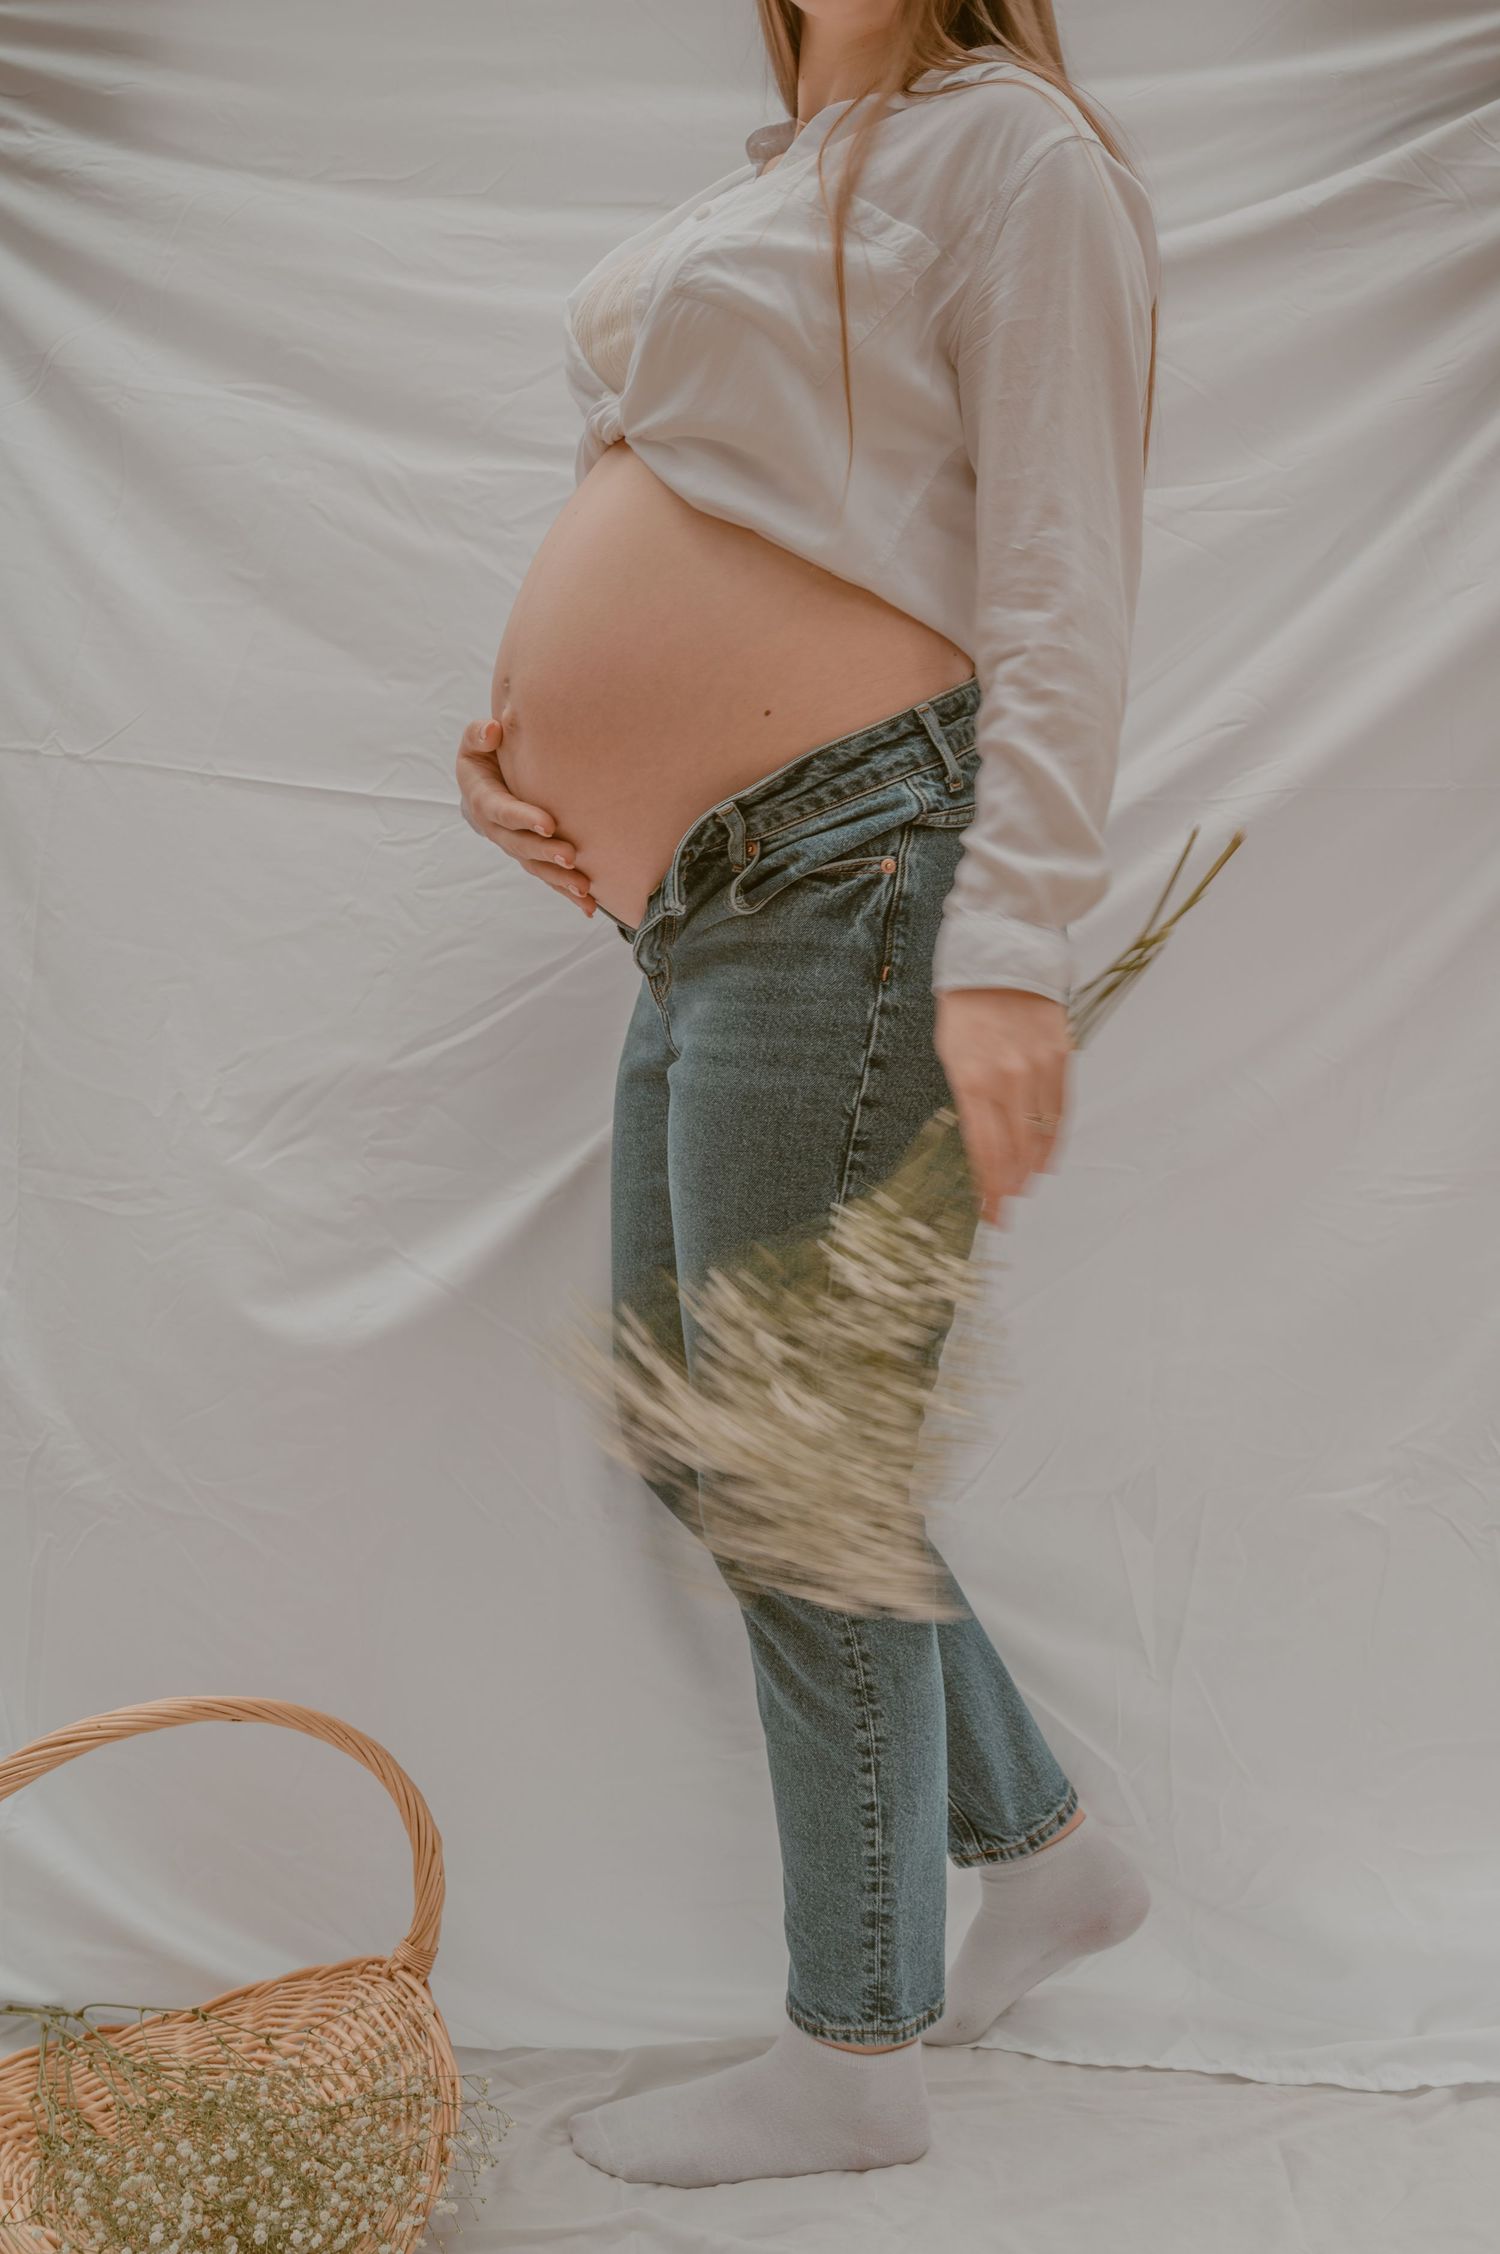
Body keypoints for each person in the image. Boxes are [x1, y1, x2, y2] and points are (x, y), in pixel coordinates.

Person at [456, 0, 1156, 2189]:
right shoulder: (766, 178)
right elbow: (691, 513)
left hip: (863, 860)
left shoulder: (1013, 152)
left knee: (787, 1453)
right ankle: (1037, 1847)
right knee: (711, 1431)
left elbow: (1059, 579)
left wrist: (1016, 947)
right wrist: (542, 751)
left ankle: (851, 2043)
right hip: (713, 894)